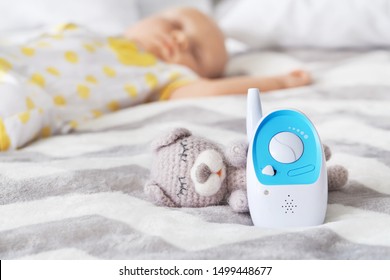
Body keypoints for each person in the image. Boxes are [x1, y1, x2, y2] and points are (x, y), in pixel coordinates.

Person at [0, 7, 310, 151]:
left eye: (198, 53)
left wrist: (280, 83)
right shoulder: (84, 30)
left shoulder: (162, 75)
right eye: (176, 23)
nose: (180, 39)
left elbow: (209, 89)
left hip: (27, 98)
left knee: (16, 109)